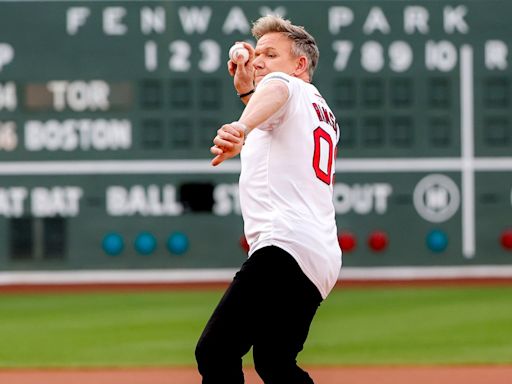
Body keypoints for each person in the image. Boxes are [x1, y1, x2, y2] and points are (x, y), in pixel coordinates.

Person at [195, 15, 342, 384]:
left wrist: (241, 126)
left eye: (270, 54)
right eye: (256, 53)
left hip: (284, 245)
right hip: (319, 256)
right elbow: (274, 109)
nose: (258, 60)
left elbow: (276, 92)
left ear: (300, 64)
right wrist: (248, 95)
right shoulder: (322, 111)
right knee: (275, 362)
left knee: (216, 350)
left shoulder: (285, 84)